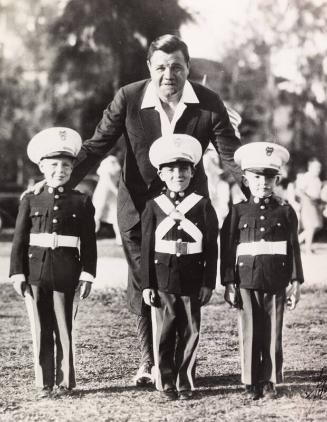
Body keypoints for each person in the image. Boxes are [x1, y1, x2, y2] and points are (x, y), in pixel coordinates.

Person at [28, 34, 242, 384]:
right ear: (149, 68)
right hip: (139, 209)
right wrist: (59, 183)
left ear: (188, 67)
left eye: (176, 67)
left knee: (183, 280)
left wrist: (254, 187)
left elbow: (229, 154)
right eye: (160, 67)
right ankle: (149, 361)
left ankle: (179, 361)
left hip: (189, 211)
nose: (168, 75)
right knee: (144, 280)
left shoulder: (208, 102)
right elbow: (95, 146)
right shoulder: (128, 98)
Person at [10, 127, 97, 399]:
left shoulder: (81, 200)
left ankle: (65, 381)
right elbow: (19, 239)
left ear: (72, 169)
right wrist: (17, 273)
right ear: (42, 167)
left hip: (67, 271)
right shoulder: (31, 199)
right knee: (41, 327)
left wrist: (88, 274)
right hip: (35, 272)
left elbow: (89, 243)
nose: (60, 170)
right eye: (54, 165)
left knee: (64, 328)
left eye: (66, 165)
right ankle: (45, 381)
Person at [220, 142, 304, 400]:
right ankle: (249, 380)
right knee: (249, 331)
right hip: (246, 280)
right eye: (257, 177)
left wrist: (296, 282)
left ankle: (268, 380)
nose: (263, 183)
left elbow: (293, 249)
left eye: (269, 178)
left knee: (272, 332)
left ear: (276, 179)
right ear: (246, 179)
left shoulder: (286, 211)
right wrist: (229, 282)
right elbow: (227, 249)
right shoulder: (238, 211)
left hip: (276, 281)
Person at [141, 134, 218, 401]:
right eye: (171, 170)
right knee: (165, 332)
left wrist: (209, 282)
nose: (178, 174)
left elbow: (211, 247)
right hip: (163, 280)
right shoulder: (153, 206)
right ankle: (165, 381)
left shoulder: (203, 205)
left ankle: (184, 380)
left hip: (193, 278)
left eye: (184, 169)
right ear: (161, 174)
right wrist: (147, 284)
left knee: (190, 330)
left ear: (192, 171)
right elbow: (146, 248)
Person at [92, 155, 122, 245]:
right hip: (102, 193)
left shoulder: (115, 166)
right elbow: (108, 183)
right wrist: (117, 192)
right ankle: (90, 236)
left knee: (116, 215)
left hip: (111, 194)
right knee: (97, 215)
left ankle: (120, 240)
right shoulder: (106, 167)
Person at [296, 158, 323, 254]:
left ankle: (296, 244)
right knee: (311, 227)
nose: (318, 169)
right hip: (308, 203)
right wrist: (307, 200)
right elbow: (299, 190)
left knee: (316, 226)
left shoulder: (317, 179)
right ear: (310, 167)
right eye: (316, 167)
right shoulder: (307, 176)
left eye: (319, 167)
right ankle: (307, 249)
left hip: (315, 203)